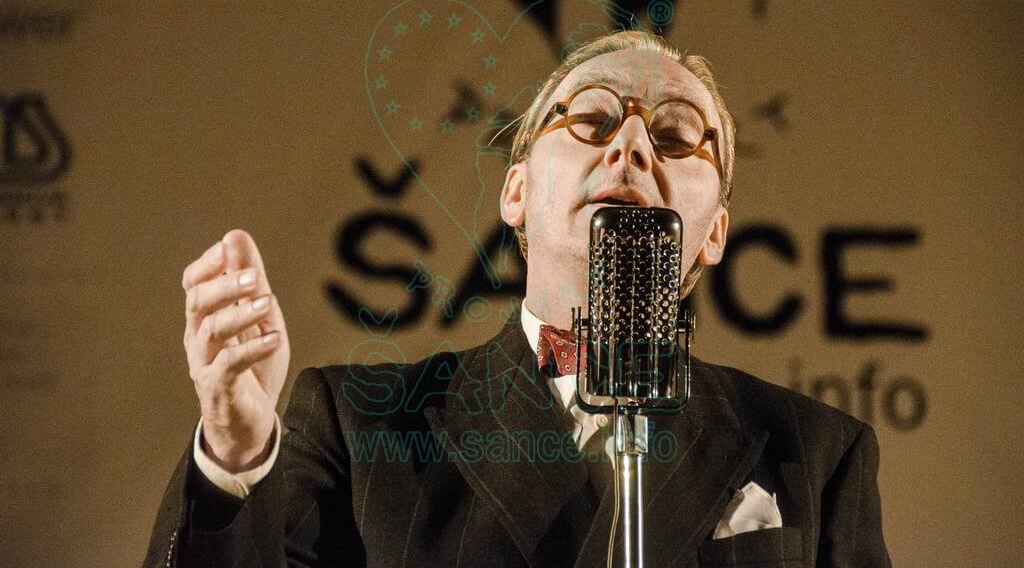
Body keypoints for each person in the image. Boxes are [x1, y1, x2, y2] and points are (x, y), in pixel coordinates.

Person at [145, 30, 890, 567]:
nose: (631, 147)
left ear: (716, 232)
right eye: (593, 120)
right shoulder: (361, 426)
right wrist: (234, 456)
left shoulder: (818, 453)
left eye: (674, 136)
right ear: (516, 190)